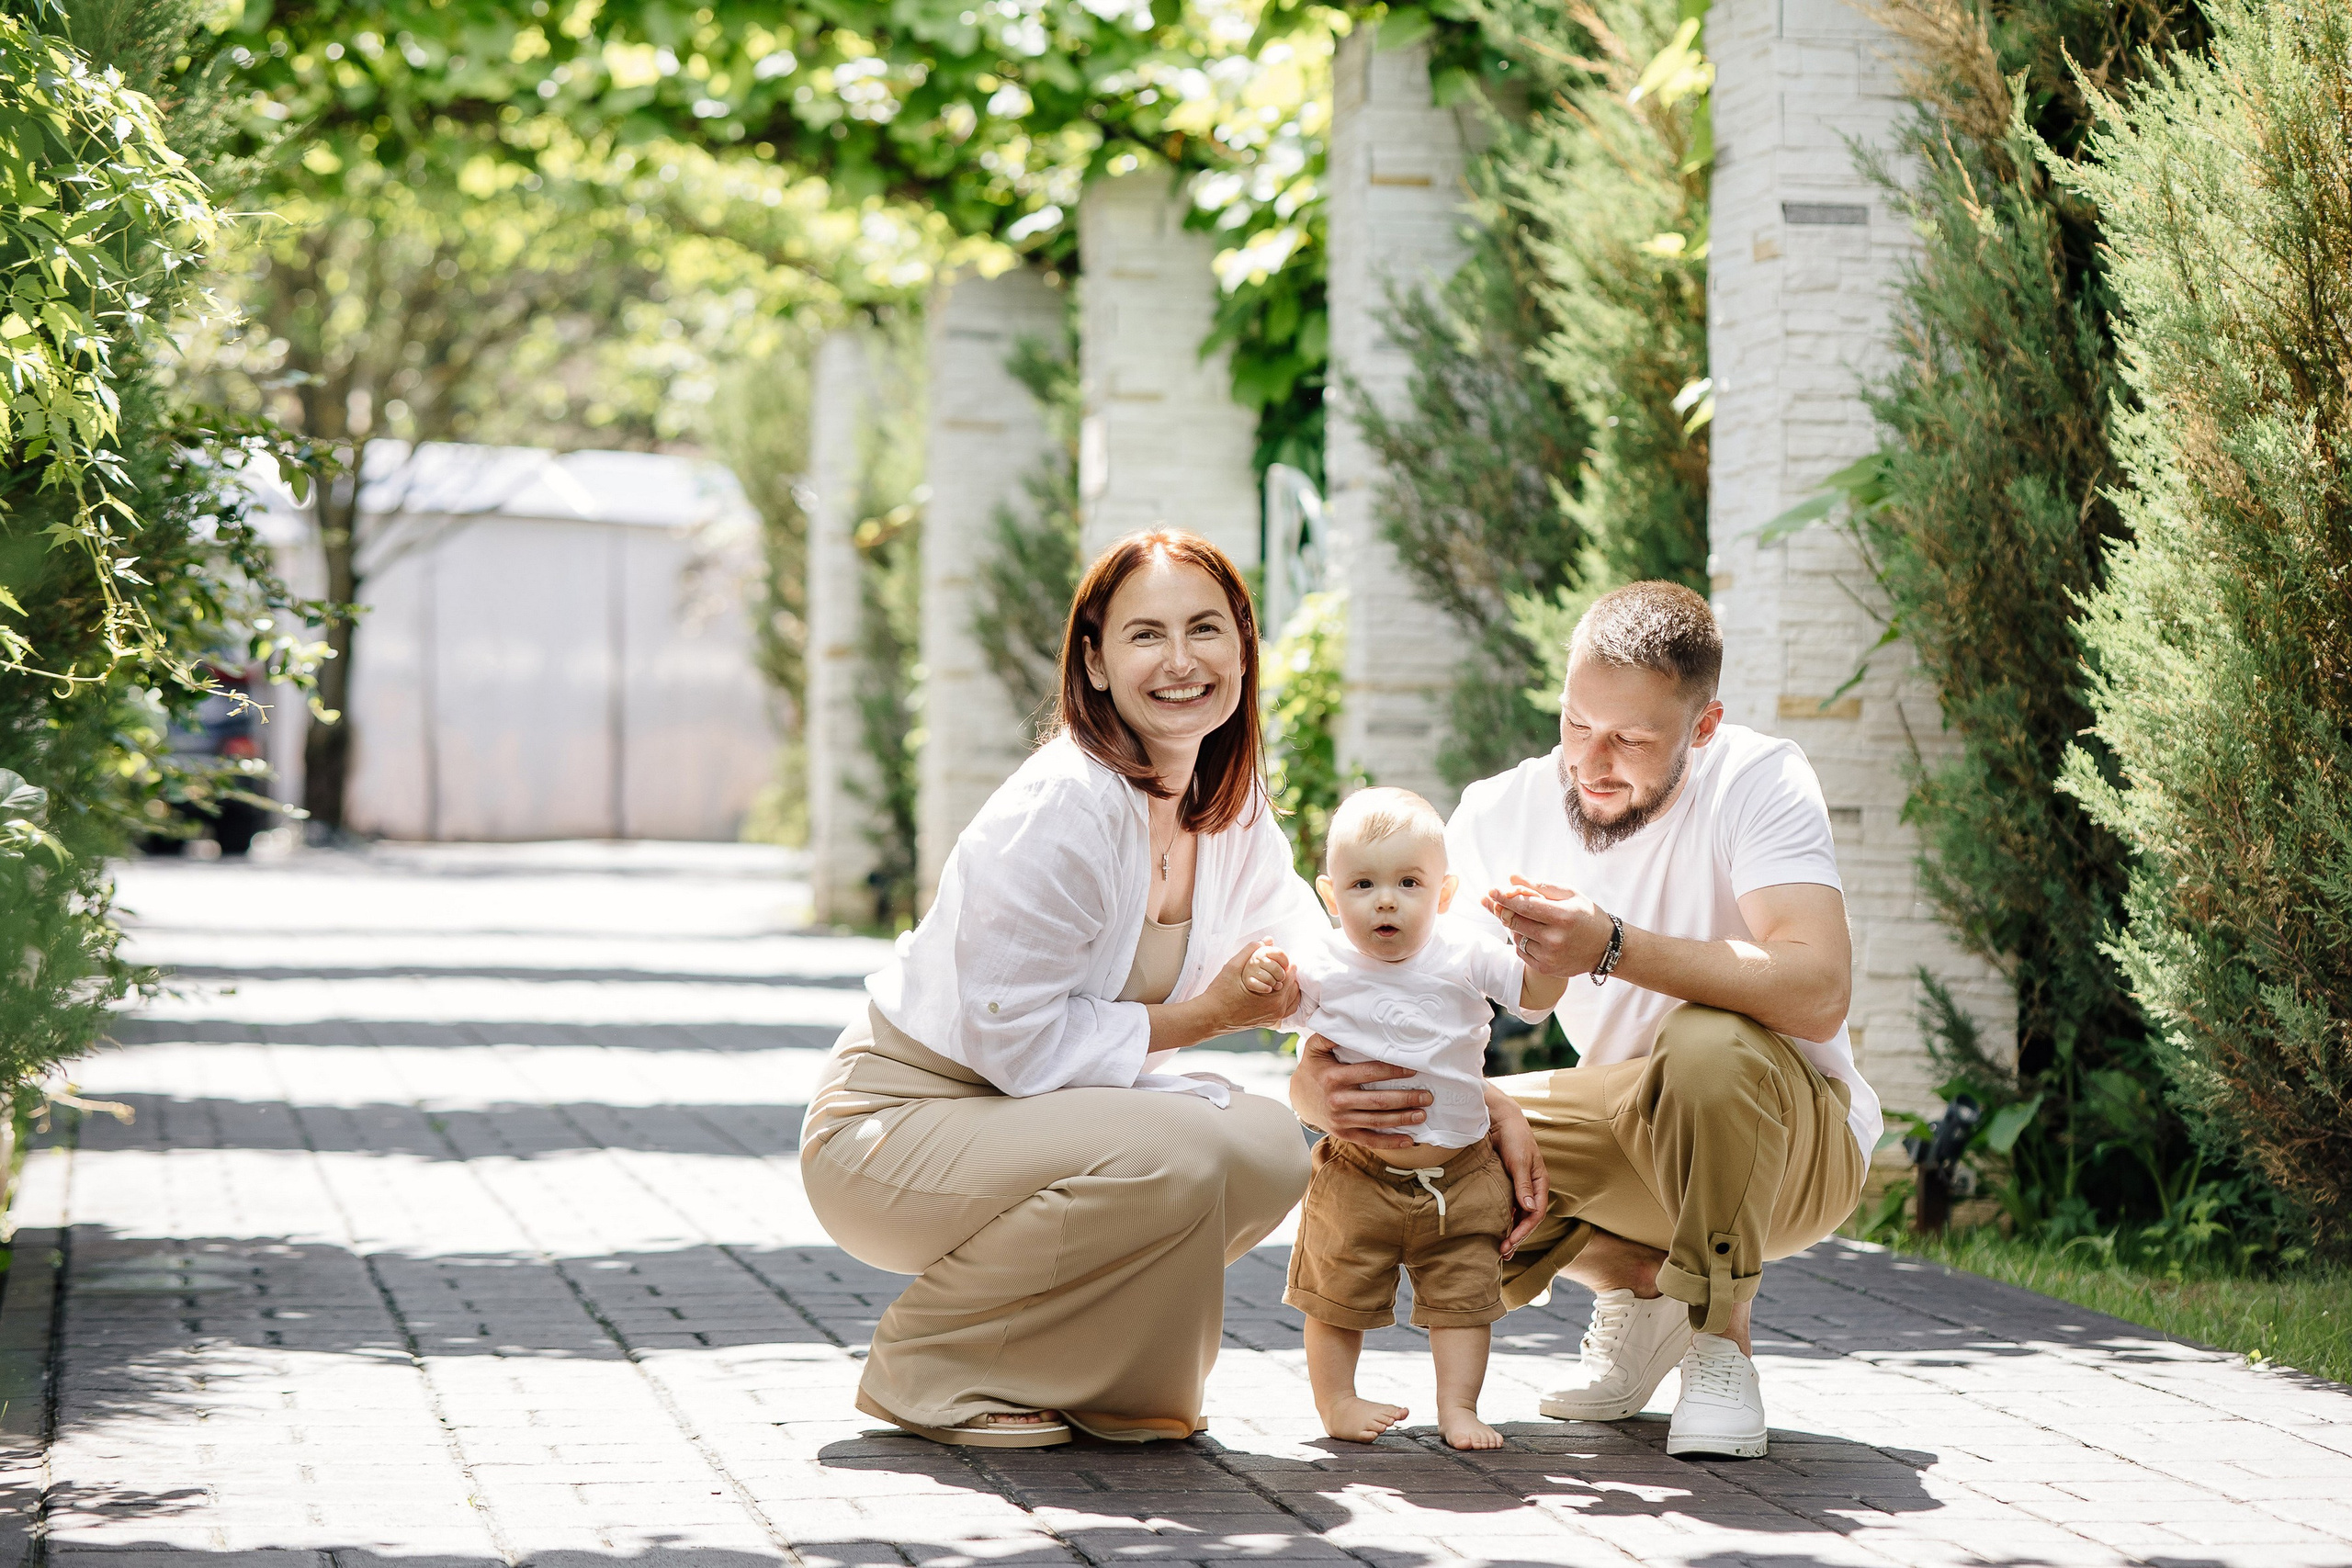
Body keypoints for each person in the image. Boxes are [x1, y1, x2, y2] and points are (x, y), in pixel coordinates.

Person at [1289, 581, 1880, 1461]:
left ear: (1704, 727)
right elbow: (1405, 987)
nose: (1591, 762)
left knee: (1708, 1041)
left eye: (1630, 739)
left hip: (1796, 1142)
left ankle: (1722, 1346)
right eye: (1575, 723)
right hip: (1629, 1121)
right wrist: (1322, 1086)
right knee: (1425, 1150)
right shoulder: (1504, 810)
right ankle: (1643, 1292)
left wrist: (1612, 946)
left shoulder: (1757, 778)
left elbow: (1819, 985)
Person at [801, 530, 1329, 1449]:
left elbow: (1313, 956)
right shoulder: (1067, 802)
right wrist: (1208, 1015)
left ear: (1244, 649)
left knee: (1269, 1146)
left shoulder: (1227, 808)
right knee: (1180, 1150)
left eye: (1206, 629)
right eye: (1145, 635)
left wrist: (1417, 1040)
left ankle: (1106, 1382)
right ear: (1094, 661)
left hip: (1027, 1119)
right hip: (897, 1126)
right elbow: (1016, 1045)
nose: (1181, 661)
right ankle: (929, 1366)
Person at [1279, 787, 1566, 1450]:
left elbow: (1533, 995)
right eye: (1363, 884)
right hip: (1358, 1170)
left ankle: (1459, 1408)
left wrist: (1549, 952)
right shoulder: (1321, 962)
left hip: (1462, 1172)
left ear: (1444, 894)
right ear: (1331, 896)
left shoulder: (1465, 951)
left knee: (1465, 1299)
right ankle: (1338, 1402)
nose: (1386, 900)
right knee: (1335, 1293)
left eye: (1409, 882)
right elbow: (1275, 1008)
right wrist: (1266, 980)